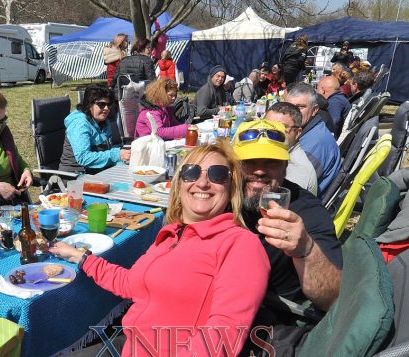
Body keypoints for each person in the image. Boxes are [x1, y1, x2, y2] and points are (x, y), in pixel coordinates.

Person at [51, 142, 270, 356]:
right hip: (131, 344)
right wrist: (83, 257)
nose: (202, 183)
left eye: (217, 174)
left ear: (231, 187)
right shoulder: (172, 234)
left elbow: (221, 337)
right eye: (191, 172)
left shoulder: (240, 245)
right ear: (179, 183)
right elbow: (130, 283)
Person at [232, 120, 342, 315]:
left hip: (265, 319)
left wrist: (306, 249)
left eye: (271, 162)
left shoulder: (306, 212)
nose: (259, 171)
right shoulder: (226, 195)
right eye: (249, 162)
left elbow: (334, 297)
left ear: (285, 166)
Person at [58, 84, 130, 174]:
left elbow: (109, 149)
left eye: (109, 104)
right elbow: (83, 158)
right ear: (89, 104)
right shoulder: (80, 124)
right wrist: (117, 154)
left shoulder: (103, 121)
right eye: (101, 104)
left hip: (98, 172)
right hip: (75, 176)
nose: (106, 108)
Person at [285, 83, 340, 197]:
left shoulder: (312, 145)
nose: (292, 112)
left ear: (314, 110)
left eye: (300, 107)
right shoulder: (315, 129)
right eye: (288, 106)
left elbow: (291, 189)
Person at [265, 102, 318, 196]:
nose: (271, 133)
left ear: (297, 133)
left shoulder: (296, 170)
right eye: (266, 125)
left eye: (282, 127)